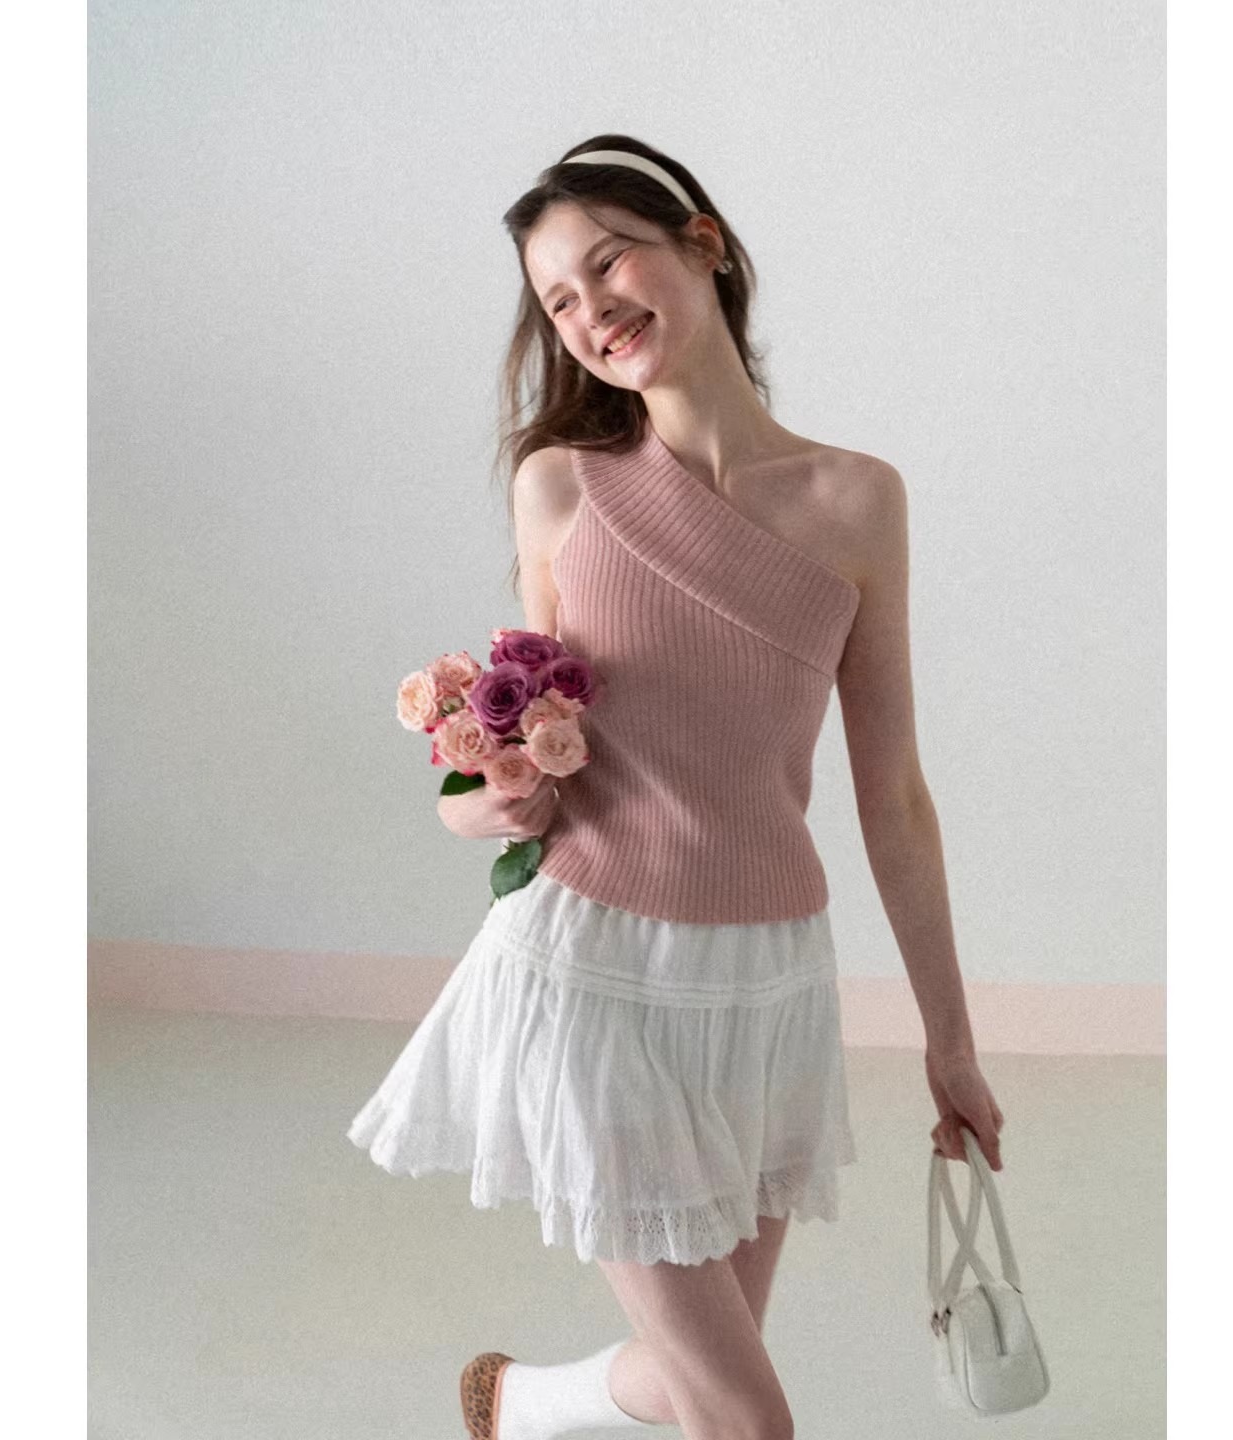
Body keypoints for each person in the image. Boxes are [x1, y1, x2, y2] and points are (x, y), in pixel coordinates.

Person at [347, 136, 1006, 1440]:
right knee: (749, 1419)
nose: (589, 310)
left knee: (697, 1370)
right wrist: (482, 806)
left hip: (764, 987)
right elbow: (507, 757)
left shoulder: (858, 501)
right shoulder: (561, 488)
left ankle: (516, 1407)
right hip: (588, 970)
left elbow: (894, 797)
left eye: (609, 263)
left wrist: (951, 1043)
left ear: (703, 243)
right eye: (558, 300)